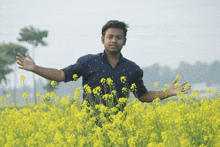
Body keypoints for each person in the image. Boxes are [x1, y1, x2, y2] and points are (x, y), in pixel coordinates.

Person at [16, 20, 191, 106]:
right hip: (90, 126)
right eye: (110, 37)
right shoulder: (88, 62)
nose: (114, 40)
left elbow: (143, 96)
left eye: (119, 37)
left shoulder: (132, 68)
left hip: (120, 127)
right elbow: (62, 75)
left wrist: (168, 92)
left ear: (125, 41)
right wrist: (35, 68)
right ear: (102, 39)